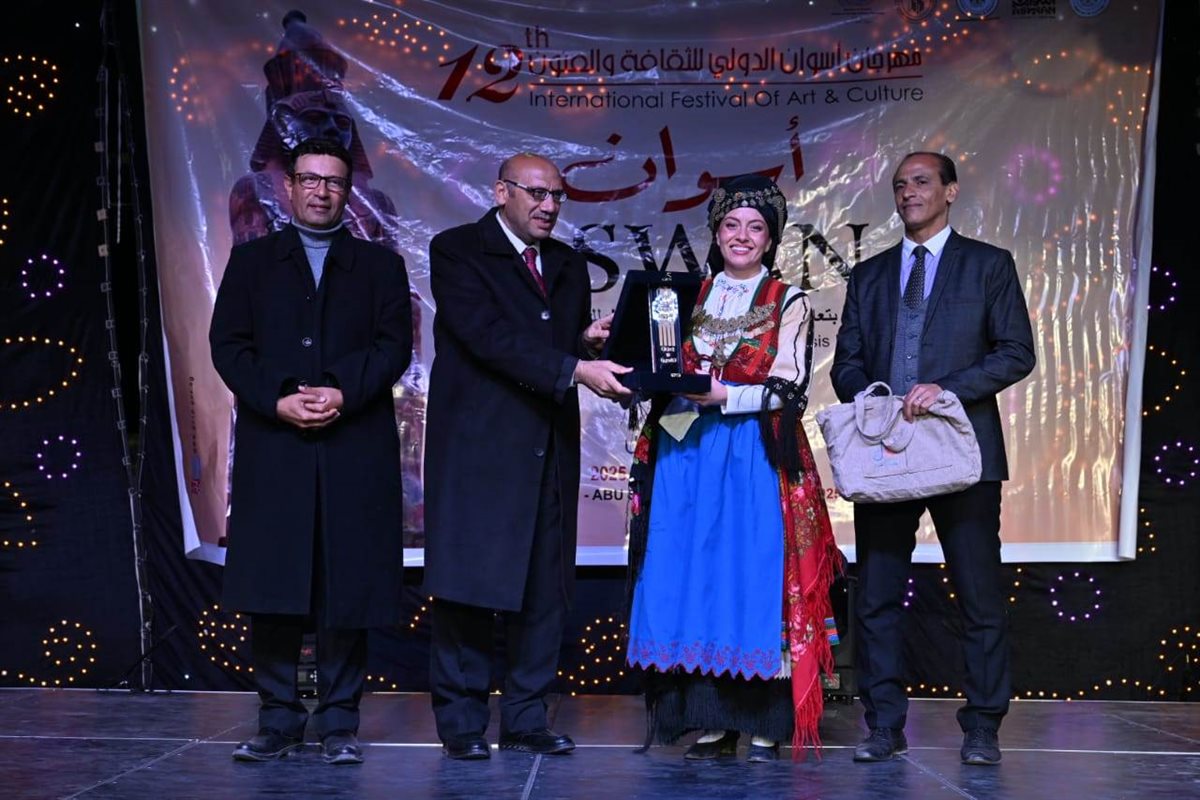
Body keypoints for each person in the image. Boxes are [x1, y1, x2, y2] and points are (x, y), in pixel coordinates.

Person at [209, 138, 412, 765]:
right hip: (277, 448)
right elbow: (228, 345)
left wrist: (343, 391)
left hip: (354, 447)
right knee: (274, 586)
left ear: (348, 192)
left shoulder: (379, 265)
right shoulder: (252, 262)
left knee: (345, 588)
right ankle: (277, 720)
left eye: (334, 181)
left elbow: (393, 346)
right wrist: (278, 399)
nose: (322, 191)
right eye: (310, 179)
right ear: (289, 187)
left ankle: (339, 723)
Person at [625, 174, 842, 762]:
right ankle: (712, 720)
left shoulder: (788, 300)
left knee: (752, 574)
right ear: (716, 233)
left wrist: (725, 396)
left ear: (770, 239)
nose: (741, 236)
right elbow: (656, 360)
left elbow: (789, 387)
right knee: (695, 575)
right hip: (688, 452)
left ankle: (765, 720)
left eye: (755, 227)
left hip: (754, 451)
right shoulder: (685, 297)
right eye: (730, 225)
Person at [422, 153, 631, 760]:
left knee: (544, 590)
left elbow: (554, 340)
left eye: (557, 196)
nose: (548, 206)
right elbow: (488, 337)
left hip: (548, 449)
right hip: (479, 451)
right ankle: (462, 724)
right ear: (501, 192)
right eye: (536, 193)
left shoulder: (566, 263)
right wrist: (575, 368)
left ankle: (525, 718)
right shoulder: (457, 250)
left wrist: (585, 341)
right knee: (467, 588)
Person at [831, 152, 1035, 766]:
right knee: (876, 597)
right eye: (900, 185)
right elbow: (847, 362)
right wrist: (872, 400)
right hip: (885, 451)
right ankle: (884, 725)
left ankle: (982, 726)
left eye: (921, 182)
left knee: (978, 594)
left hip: (961, 448)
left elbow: (1016, 352)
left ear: (950, 191)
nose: (908, 193)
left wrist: (947, 390)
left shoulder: (988, 265)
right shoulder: (870, 275)